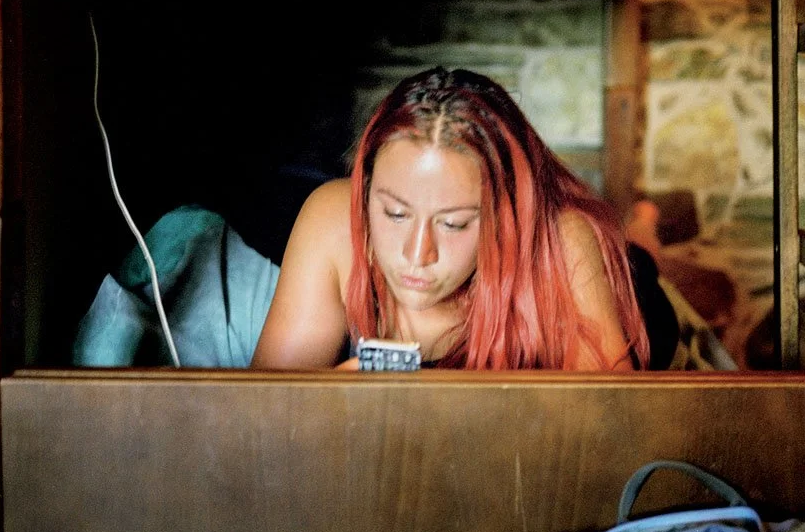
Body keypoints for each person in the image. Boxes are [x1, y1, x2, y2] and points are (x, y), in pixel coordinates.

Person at [251, 66, 653, 371]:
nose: (417, 253)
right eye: (395, 213)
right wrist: (331, 398)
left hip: (635, 295)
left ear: (504, 213)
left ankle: (644, 226)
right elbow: (264, 413)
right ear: (367, 187)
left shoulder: (561, 240)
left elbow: (609, 426)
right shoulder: (333, 215)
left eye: (453, 223)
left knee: (643, 261)